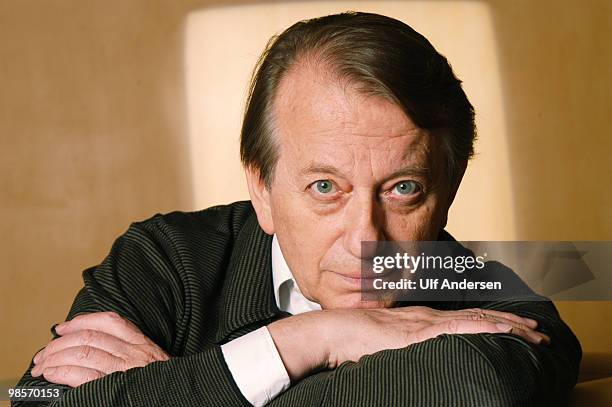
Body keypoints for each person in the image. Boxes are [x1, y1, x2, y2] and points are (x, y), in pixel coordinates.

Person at [14, 11, 581, 406]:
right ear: (261, 188)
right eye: (325, 188)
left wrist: (183, 388)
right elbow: (32, 396)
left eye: (402, 188)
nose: (366, 237)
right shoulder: (166, 256)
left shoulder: (493, 292)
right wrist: (315, 339)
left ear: (449, 186)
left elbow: (481, 391)